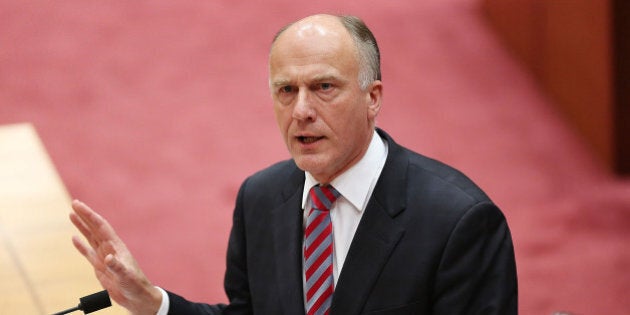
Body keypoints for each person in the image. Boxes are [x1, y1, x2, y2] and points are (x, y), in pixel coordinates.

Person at [70, 14, 518, 315]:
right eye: (286, 91)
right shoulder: (260, 199)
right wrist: (154, 303)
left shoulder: (460, 223)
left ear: (373, 98)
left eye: (324, 87)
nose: (301, 111)